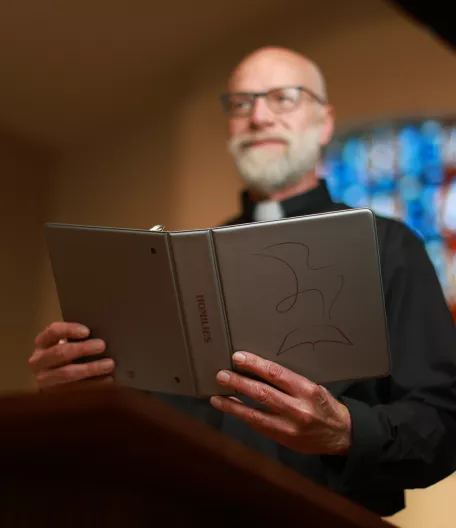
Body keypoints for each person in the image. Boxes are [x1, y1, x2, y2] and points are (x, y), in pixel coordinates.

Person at [29, 47, 456, 517]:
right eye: (241, 103)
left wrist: (347, 429)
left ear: (325, 121)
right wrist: (90, 392)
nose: (258, 116)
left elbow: (443, 425)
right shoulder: (181, 266)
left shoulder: (390, 246)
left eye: (284, 98)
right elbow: (154, 428)